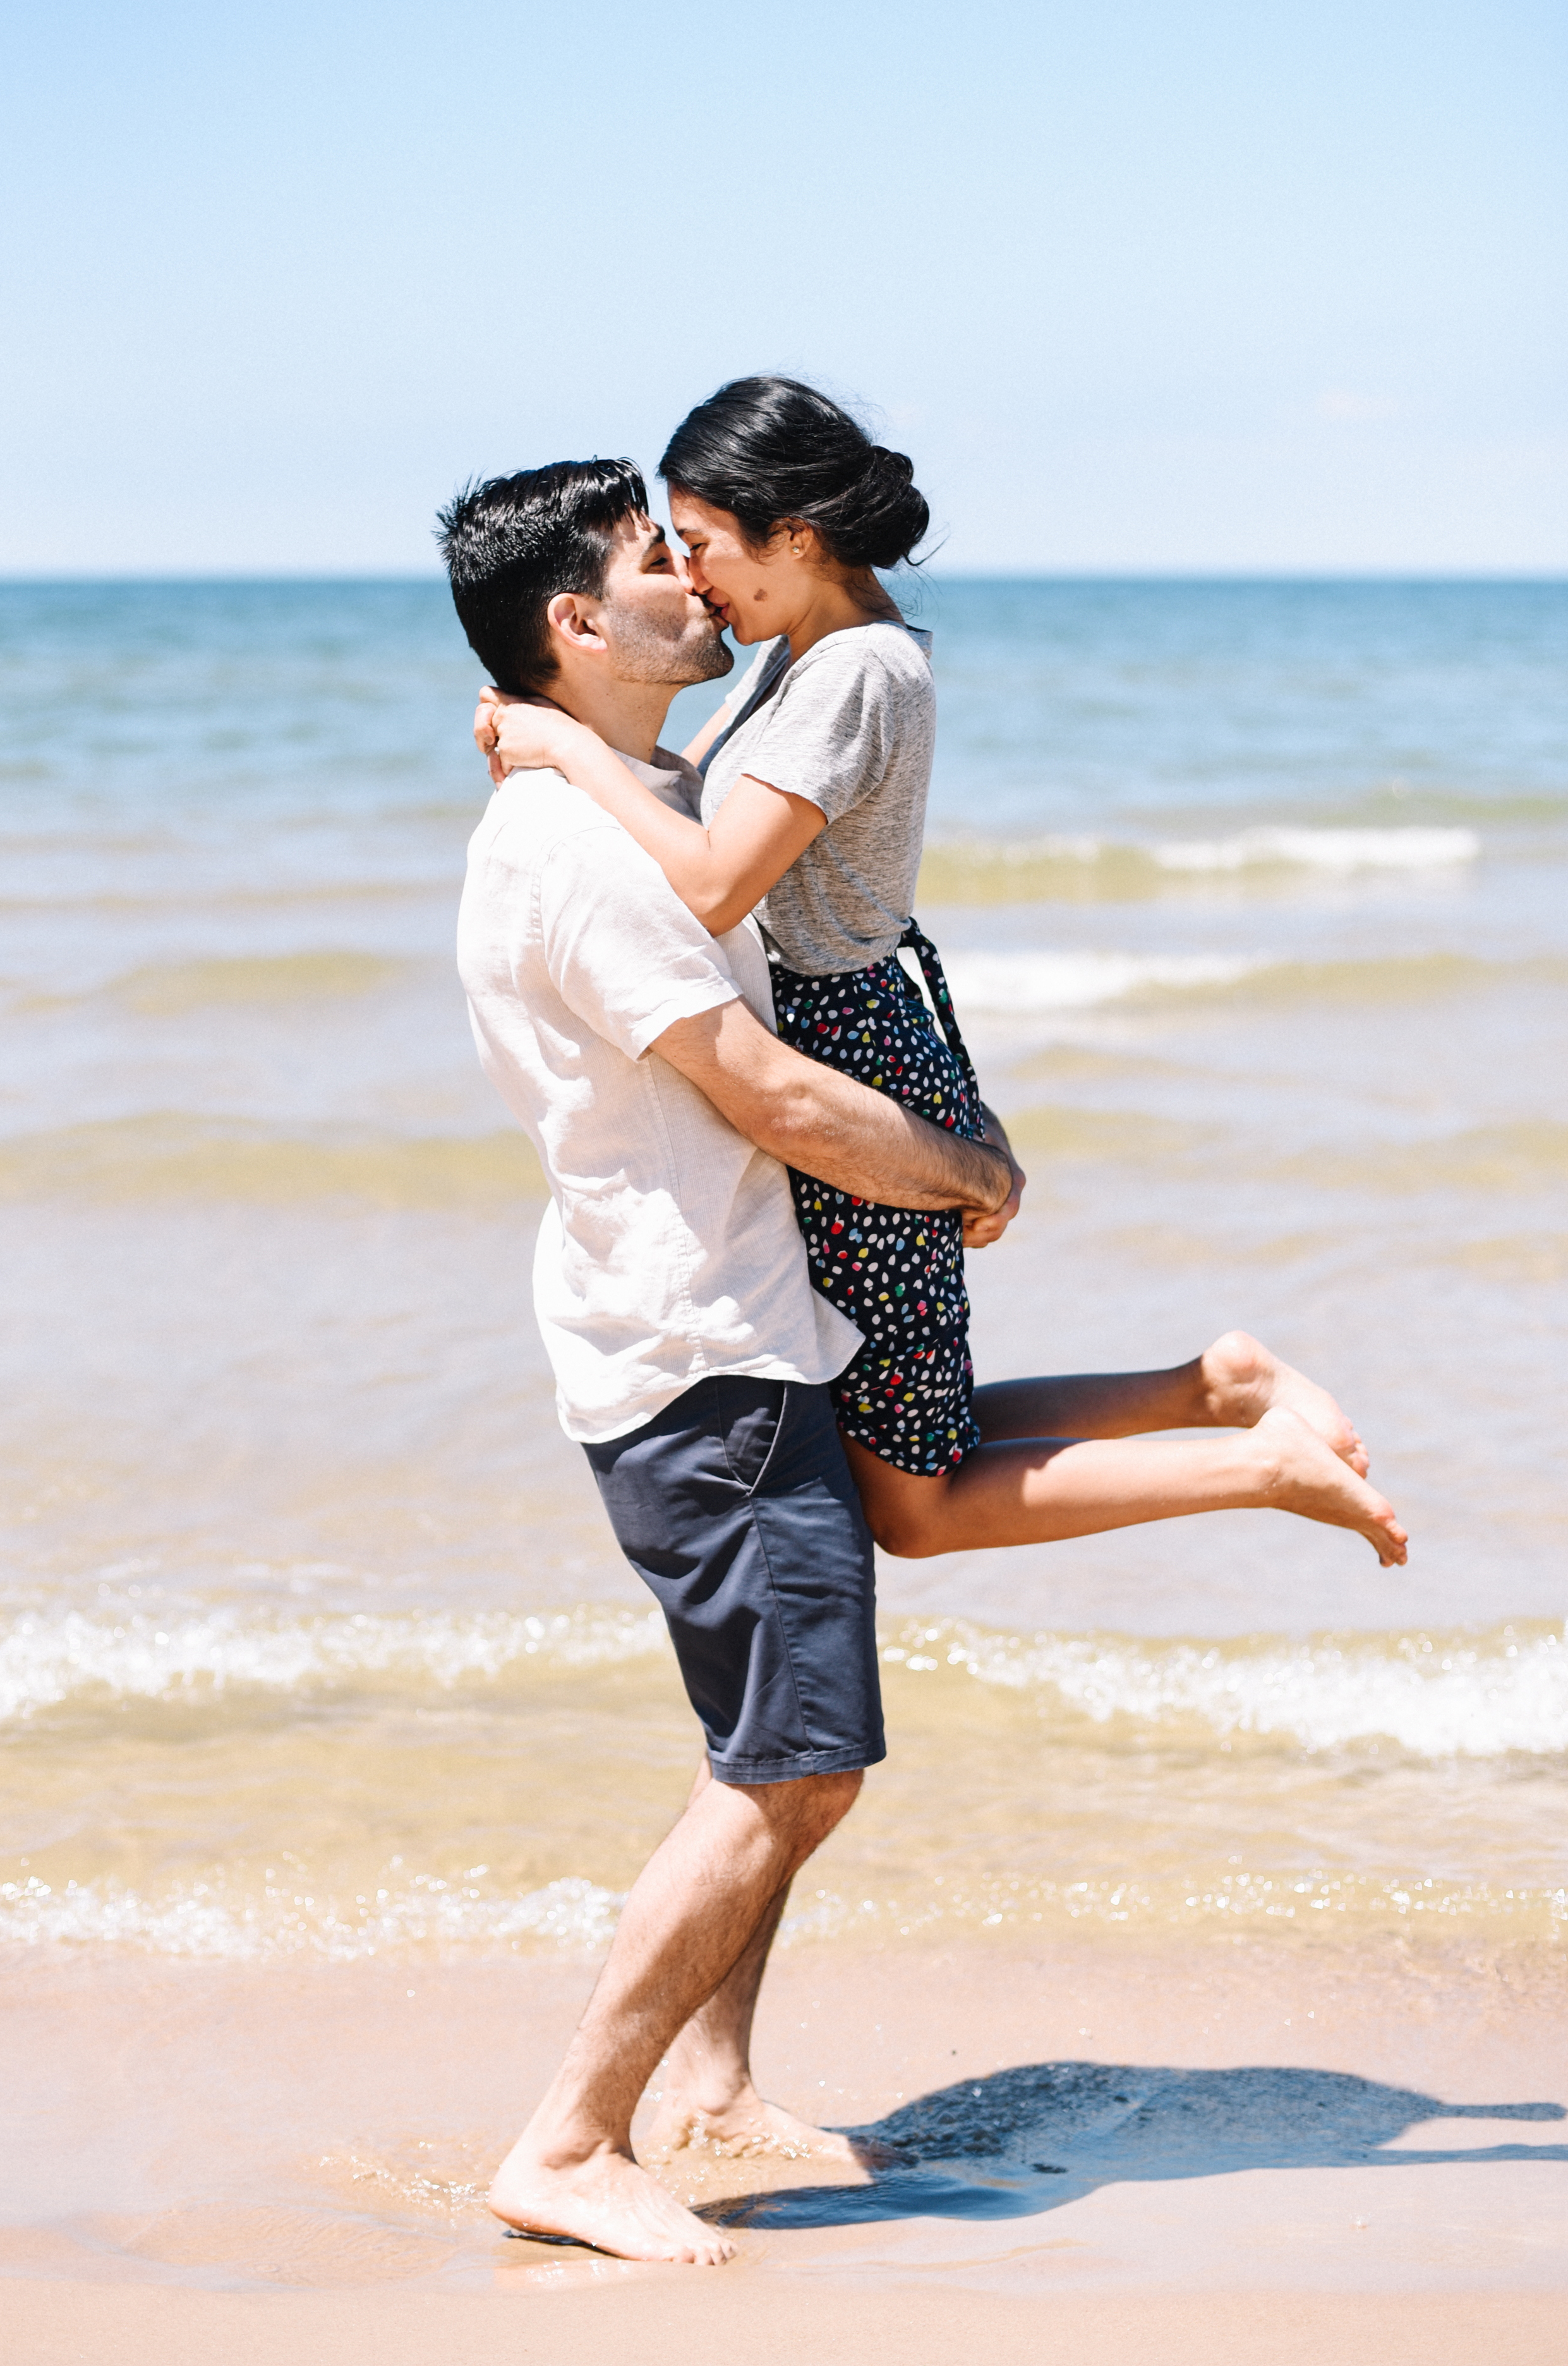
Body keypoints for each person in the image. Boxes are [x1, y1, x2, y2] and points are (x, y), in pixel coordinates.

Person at [478, 380, 1408, 1572]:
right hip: (850, 1029)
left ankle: (1256, 1463)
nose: (697, 578)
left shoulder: (860, 672)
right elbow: (683, 804)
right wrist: (551, 720)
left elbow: (710, 881)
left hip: (846, 1050)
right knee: (910, 1442)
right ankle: (1216, 1387)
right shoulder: (799, 657)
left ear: (794, 537)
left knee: (915, 1506)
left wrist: (561, 747)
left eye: (703, 547)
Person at [440, 456, 1016, 2268]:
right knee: (796, 1767)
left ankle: (708, 2084)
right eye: (648, 559)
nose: (692, 579)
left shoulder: (638, 795)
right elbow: (761, 1093)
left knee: (752, 1742)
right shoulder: (580, 851)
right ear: (574, 626)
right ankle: (567, 2138)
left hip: (716, 1331)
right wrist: (964, 1176)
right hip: (707, 1356)